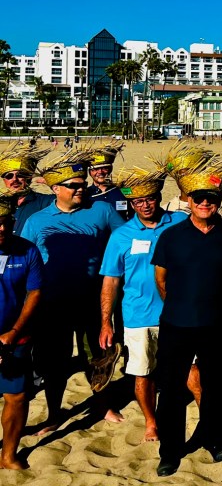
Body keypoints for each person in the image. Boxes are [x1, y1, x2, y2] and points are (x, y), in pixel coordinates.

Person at [21, 150, 126, 432]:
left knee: (100, 357)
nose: (81, 188)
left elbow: (124, 239)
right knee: (55, 363)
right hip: (52, 304)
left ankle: (104, 405)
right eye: (74, 186)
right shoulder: (37, 220)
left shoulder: (101, 210)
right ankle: (54, 414)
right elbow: (26, 259)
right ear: (56, 189)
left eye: (82, 184)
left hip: (92, 300)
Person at [151, 158, 222, 476]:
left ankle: (214, 439)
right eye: (199, 198)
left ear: (218, 202)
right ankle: (170, 451)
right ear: (188, 200)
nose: (205, 203)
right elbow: (161, 280)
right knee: (172, 390)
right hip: (177, 323)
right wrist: (181, 304)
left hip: (217, 324)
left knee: (216, 387)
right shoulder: (171, 236)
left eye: (212, 199)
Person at [99, 168, 188, 443]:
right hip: (138, 315)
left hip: (180, 312)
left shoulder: (180, 222)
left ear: (159, 196)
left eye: (150, 198)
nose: (145, 205)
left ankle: (213, 415)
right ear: (131, 204)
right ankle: (151, 421)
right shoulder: (121, 236)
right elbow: (111, 281)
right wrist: (106, 321)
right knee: (143, 371)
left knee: (193, 369)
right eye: (138, 201)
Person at [0, 198, 43, 470]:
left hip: (15, 337)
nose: (2, 229)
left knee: (16, 396)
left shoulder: (27, 250)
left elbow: (35, 291)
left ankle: (8, 454)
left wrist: (15, 331)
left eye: (5, 223)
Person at [0, 143, 53, 236]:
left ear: (29, 177)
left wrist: (53, 182)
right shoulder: (1, 203)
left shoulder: (44, 202)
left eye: (20, 175)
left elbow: (71, 201)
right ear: (4, 180)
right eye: (9, 176)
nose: (15, 179)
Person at [85, 144, 130, 220]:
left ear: (111, 169)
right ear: (89, 172)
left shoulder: (125, 191)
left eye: (104, 168)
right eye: (95, 169)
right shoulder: (85, 194)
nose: (100, 172)